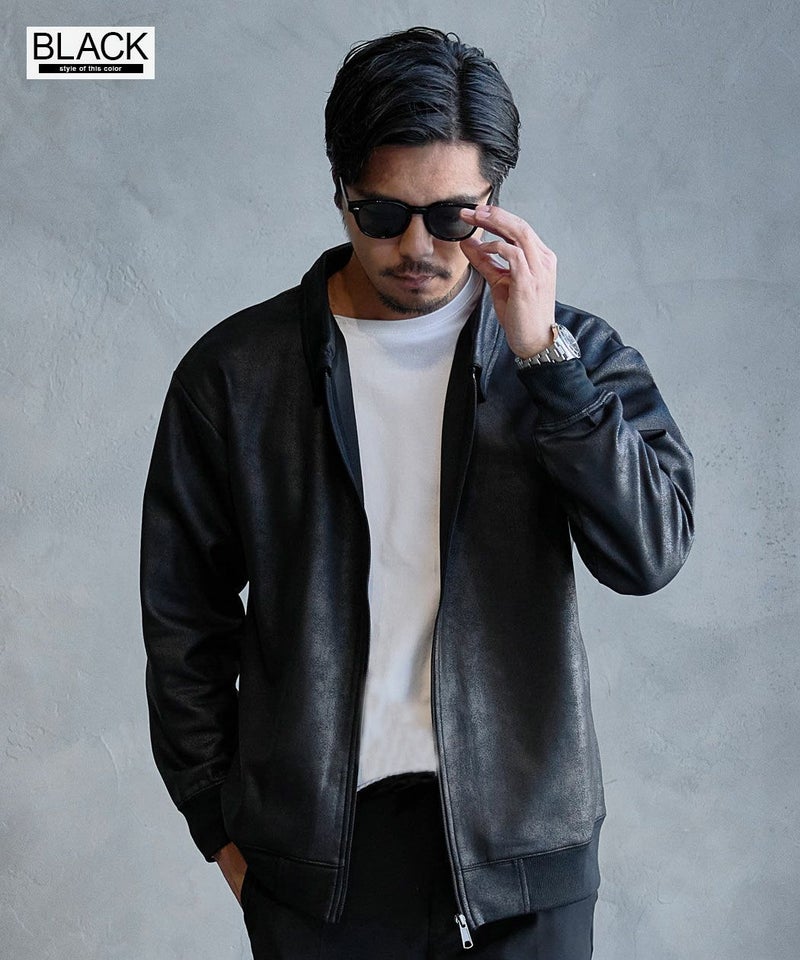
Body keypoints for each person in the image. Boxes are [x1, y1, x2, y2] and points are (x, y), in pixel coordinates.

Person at [140, 26, 695, 959]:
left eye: (449, 217)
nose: (415, 246)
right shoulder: (236, 376)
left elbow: (649, 554)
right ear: (339, 192)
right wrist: (219, 828)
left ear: (494, 202)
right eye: (382, 213)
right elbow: (182, 618)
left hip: (526, 862)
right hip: (319, 864)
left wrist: (546, 363)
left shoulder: (572, 357)